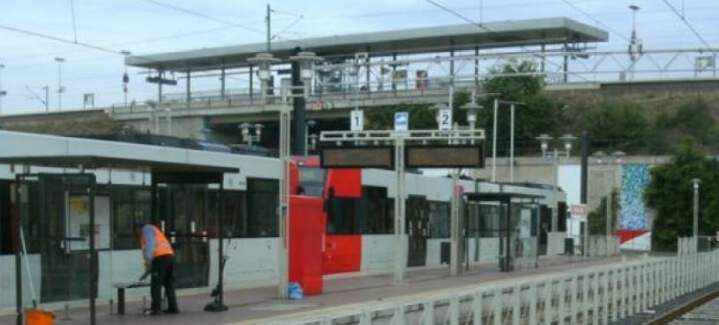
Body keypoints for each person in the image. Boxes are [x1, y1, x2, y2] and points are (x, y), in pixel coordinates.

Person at [136, 223, 179, 315]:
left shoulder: (146, 228)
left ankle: (156, 309)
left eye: (136, 231)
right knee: (168, 284)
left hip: (160, 258)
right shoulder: (154, 231)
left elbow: (150, 246)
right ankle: (173, 308)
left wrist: (148, 259)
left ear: (139, 228)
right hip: (169, 256)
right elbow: (150, 260)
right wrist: (145, 275)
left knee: (155, 284)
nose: (137, 234)